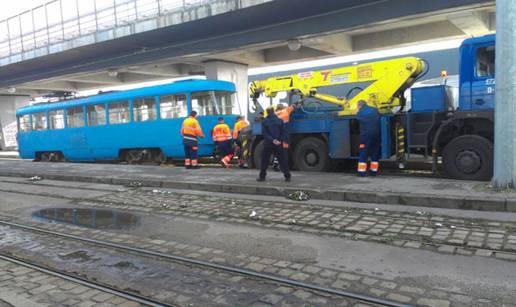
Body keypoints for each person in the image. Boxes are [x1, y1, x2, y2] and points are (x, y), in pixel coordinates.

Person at [257, 106, 291, 182]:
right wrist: (279, 140)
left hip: (268, 144)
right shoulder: (280, 120)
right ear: (273, 111)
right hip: (278, 144)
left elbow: (265, 133)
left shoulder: (265, 121)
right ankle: (287, 176)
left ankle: (262, 177)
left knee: (264, 160)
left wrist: (272, 140)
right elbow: (283, 132)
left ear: (267, 112)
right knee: (283, 160)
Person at [356, 100, 381, 177]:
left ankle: (361, 172)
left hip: (366, 135)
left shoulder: (361, 112)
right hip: (376, 135)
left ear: (360, 105)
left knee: (363, 152)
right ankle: (373, 172)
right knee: (375, 152)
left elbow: (358, 118)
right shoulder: (375, 109)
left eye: (358, 106)